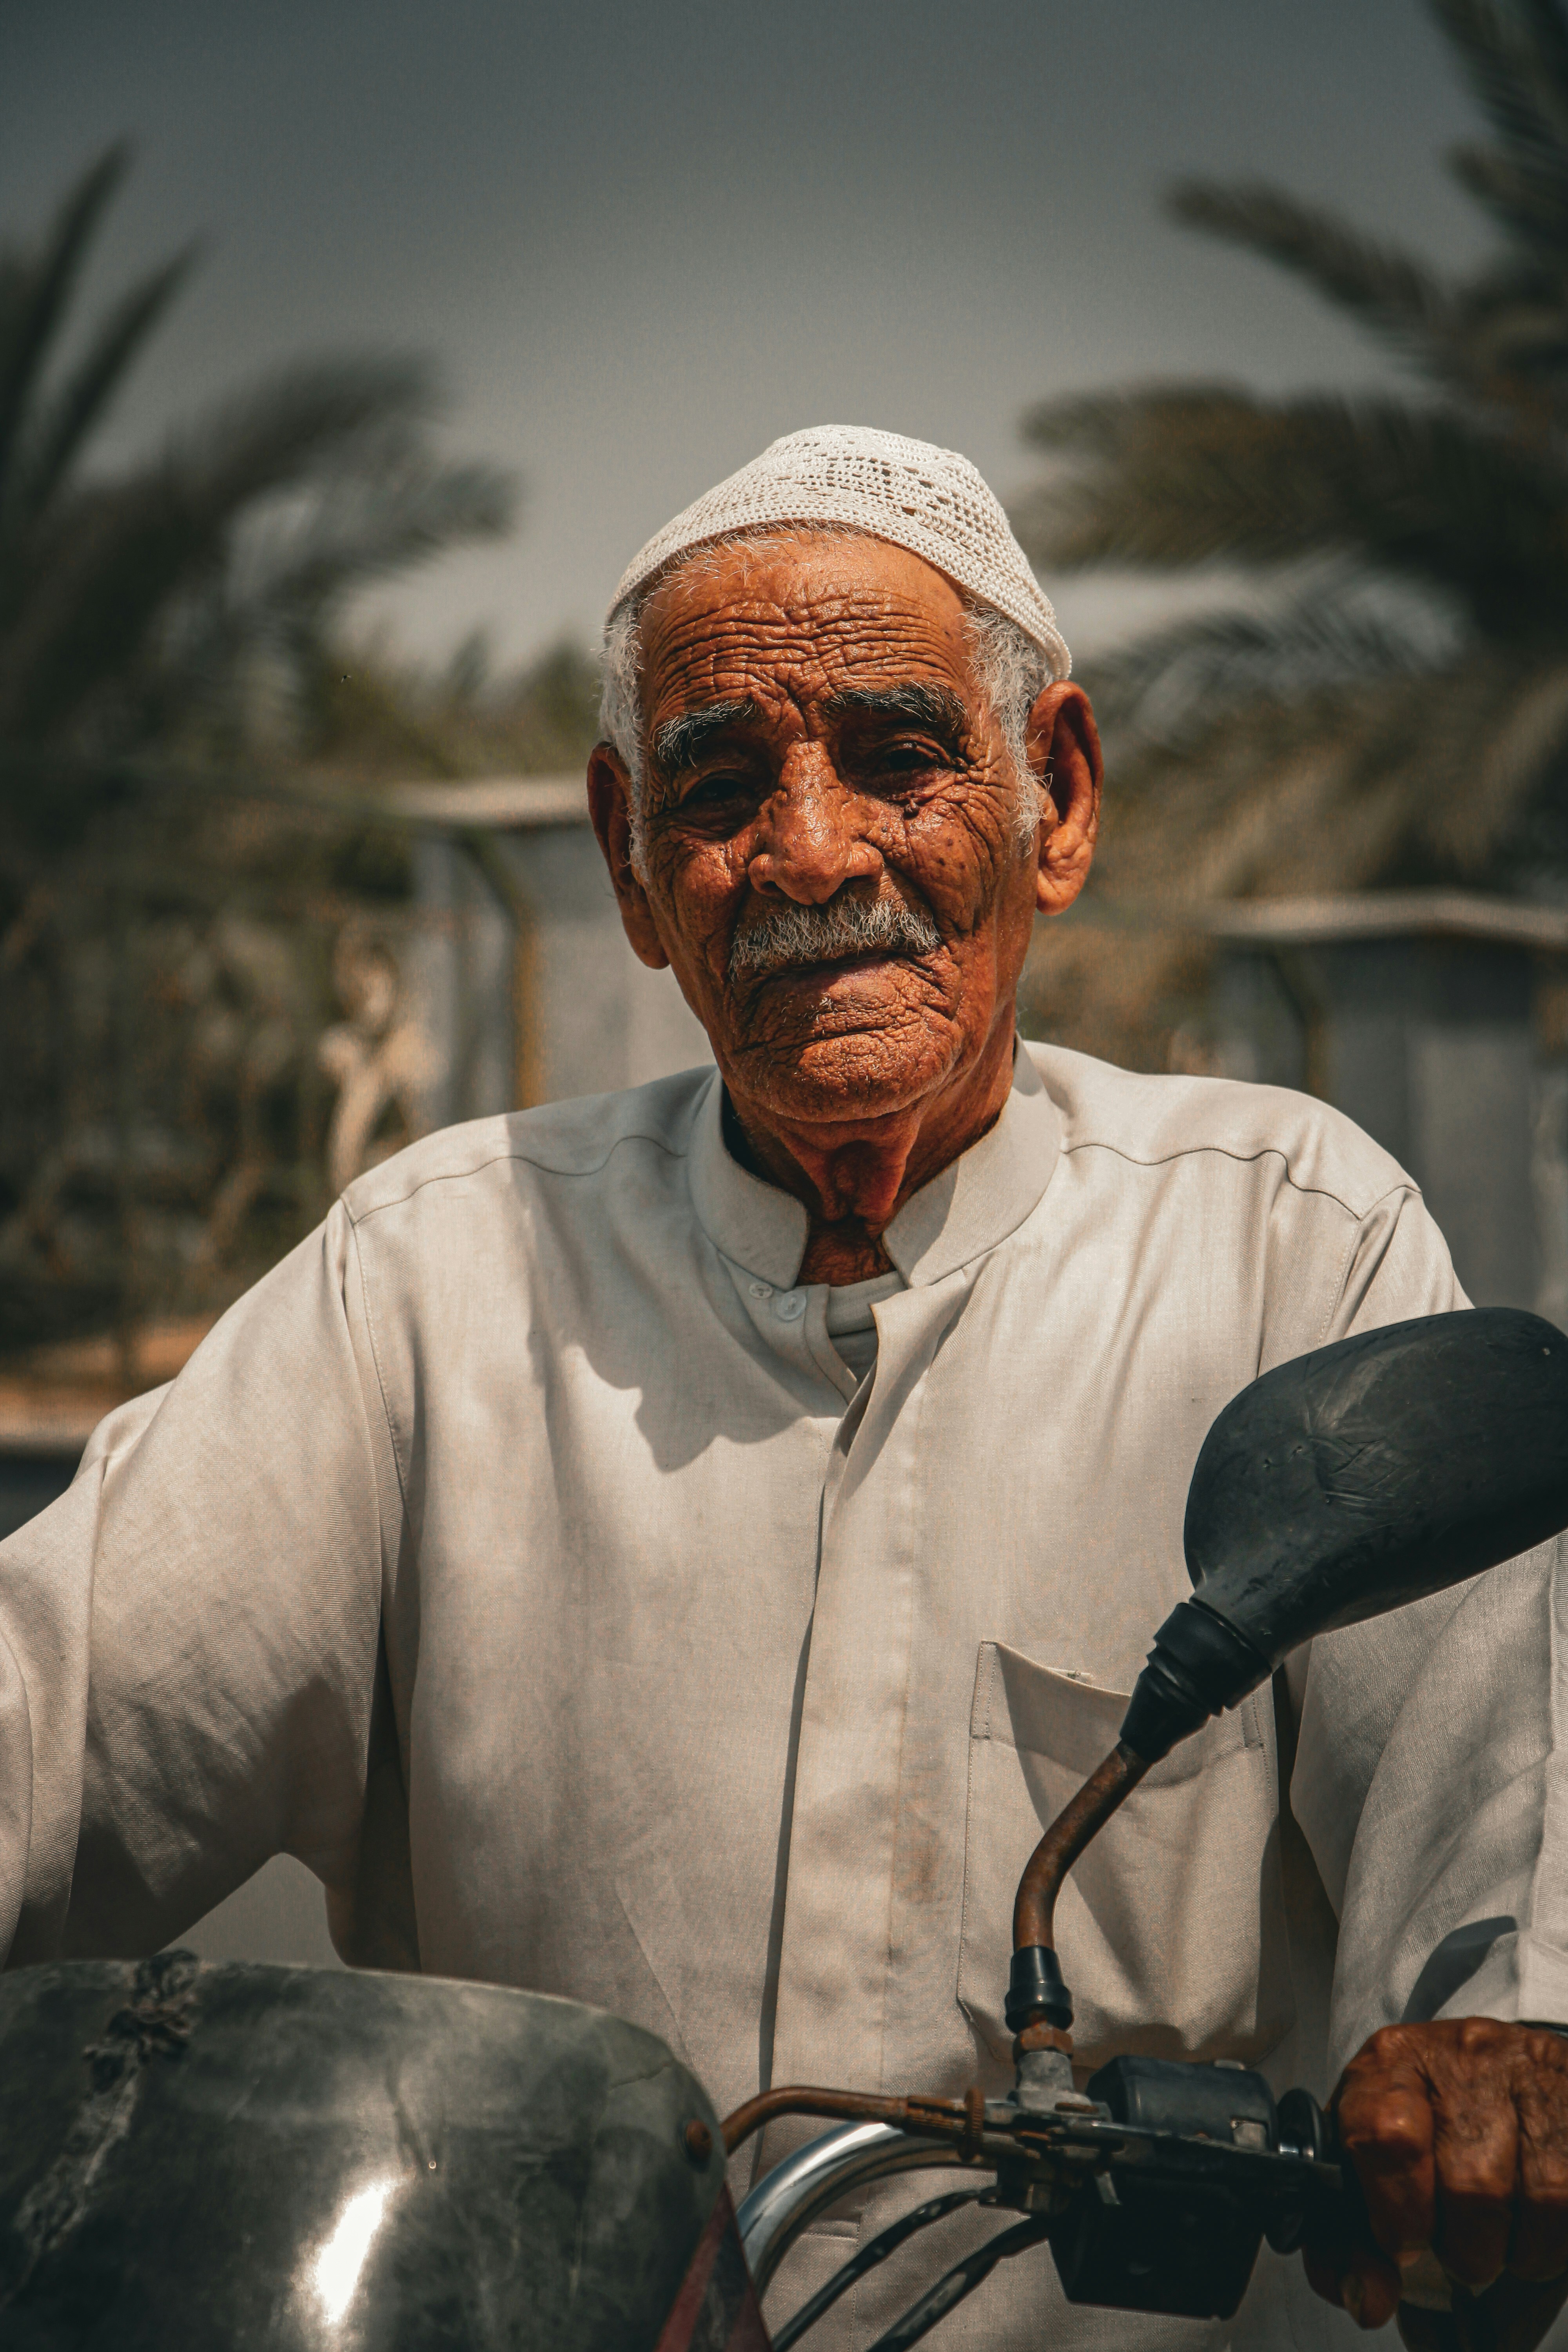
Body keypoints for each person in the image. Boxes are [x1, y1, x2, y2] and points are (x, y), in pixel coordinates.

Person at [3, 424, 1565, 2351]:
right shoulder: (433, 1277)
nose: (810, 849)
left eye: (898, 757)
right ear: (635, 868)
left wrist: (1498, 2047)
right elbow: (53, 1718)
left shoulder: (1286, 1246)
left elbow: (1494, 1838)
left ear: (1056, 799)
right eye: (721, 786)